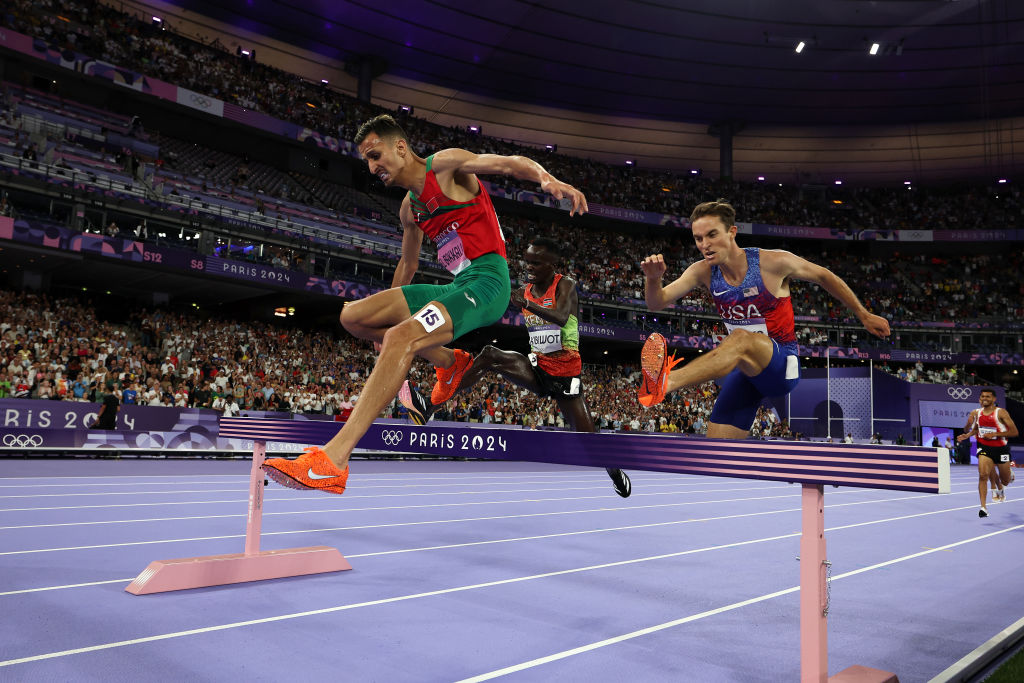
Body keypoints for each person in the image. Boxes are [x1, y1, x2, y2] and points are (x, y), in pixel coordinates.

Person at [263, 114, 588, 494]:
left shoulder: (445, 167)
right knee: (354, 316)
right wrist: (390, 319)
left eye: (375, 154)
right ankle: (451, 363)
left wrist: (547, 179)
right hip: (456, 286)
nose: (371, 167)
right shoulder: (409, 210)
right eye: (366, 161)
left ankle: (333, 460)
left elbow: (507, 164)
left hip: (488, 283)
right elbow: (409, 264)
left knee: (402, 337)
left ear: (400, 147)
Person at [397, 236, 631, 498]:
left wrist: (528, 305)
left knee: (590, 442)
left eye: (536, 263)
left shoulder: (565, 285)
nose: (529, 268)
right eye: (527, 262)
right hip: (537, 368)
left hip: (566, 377)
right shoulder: (526, 289)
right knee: (489, 355)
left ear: (552, 264)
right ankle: (429, 407)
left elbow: (563, 317)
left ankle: (614, 472)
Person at [637, 199, 890, 439]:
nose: (705, 244)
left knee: (741, 339)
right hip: (748, 372)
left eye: (712, 235)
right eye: (698, 238)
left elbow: (824, 276)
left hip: (783, 366)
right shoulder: (701, 271)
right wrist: (653, 279)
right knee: (717, 452)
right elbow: (656, 302)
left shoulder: (772, 262)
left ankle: (665, 383)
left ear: (732, 232)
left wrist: (863, 314)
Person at [957, 388, 1018, 518]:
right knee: (983, 475)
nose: (985, 398)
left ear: (994, 399)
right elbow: (975, 429)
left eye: (988, 396)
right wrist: (967, 432)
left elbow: (1014, 432)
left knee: (1005, 481)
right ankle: (983, 507)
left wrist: (995, 434)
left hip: (1001, 449)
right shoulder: (976, 412)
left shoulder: (1001, 413)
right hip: (984, 447)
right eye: (982, 396)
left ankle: (1007, 477)